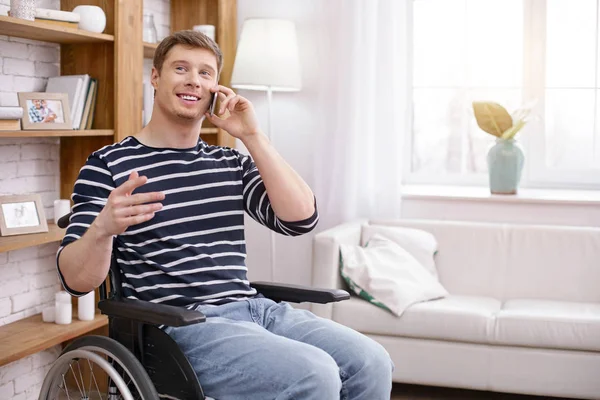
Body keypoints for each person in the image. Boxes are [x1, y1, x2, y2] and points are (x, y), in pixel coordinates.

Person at [56, 30, 393, 400]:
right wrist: (104, 228)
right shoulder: (109, 165)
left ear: (216, 88)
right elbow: (76, 280)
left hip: (256, 311)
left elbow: (300, 219)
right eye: (180, 68)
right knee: (314, 374)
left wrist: (252, 137)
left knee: (371, 360)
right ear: (155, 77)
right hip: (183, 327)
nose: (193, 81)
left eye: (205, 73)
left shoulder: (229, 162)